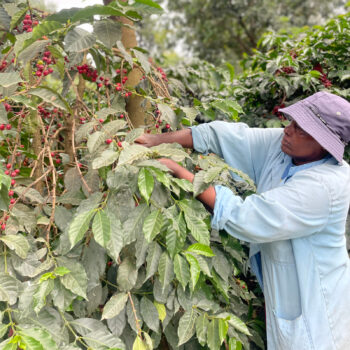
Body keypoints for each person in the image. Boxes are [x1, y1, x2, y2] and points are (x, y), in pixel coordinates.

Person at [135, 91, 350, 350]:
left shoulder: (325, 187)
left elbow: (247, 217)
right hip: (285, 296)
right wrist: (155, 140)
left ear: (324, 144)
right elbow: (227, 136)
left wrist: (179, 171)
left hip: (320, 315)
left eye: (301, 129)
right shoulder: (284, 149)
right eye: (292, 122)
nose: (288, 131)